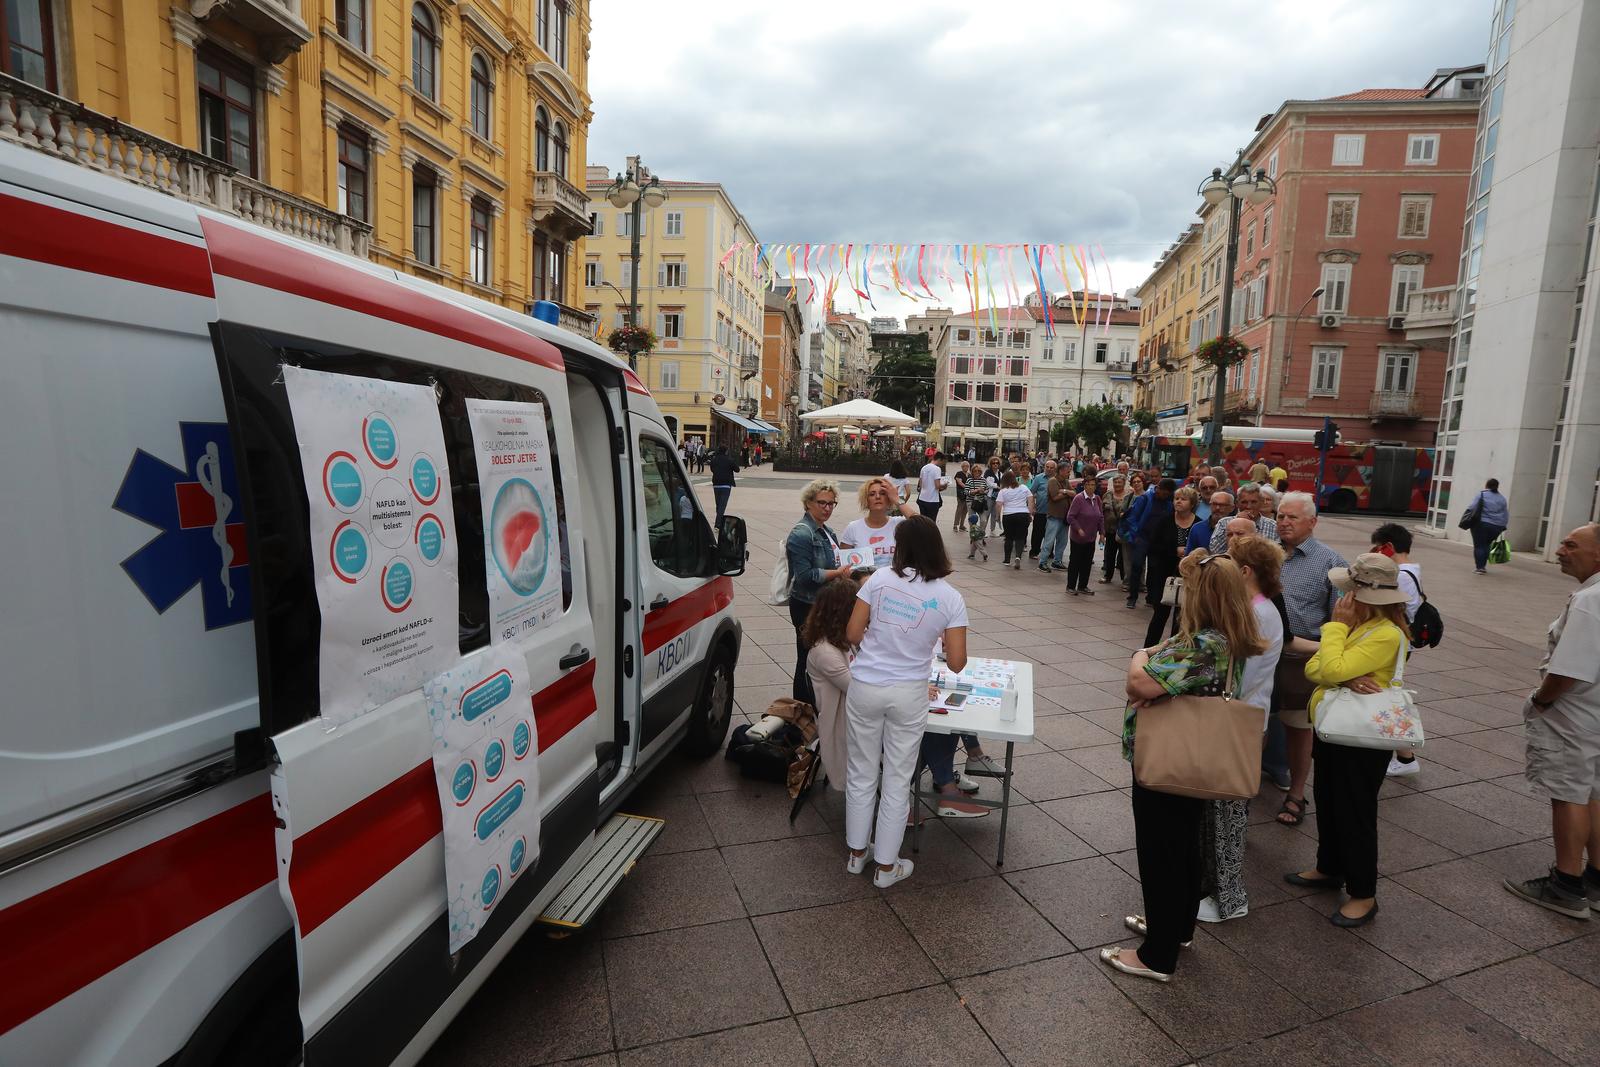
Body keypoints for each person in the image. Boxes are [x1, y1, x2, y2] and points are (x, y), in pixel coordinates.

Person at [1104, 550, 1266, 982]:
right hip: (1194, 762)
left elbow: (1139, 678)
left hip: (1168, 763)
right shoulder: (1223, 637)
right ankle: (1175, 928)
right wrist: (1155, 674)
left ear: (1206, 598)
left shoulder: (1203, 645)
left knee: (1161, 854)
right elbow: (1156, 674)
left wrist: (1141, 659)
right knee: (1182, 849)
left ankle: (1157, 955)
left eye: (1190, 590)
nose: (1183, 596)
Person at [843, 517, 970, 888]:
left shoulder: (879, 579)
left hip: (866, 685)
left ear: (902, 547)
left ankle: (856, 854)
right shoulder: (950, 598)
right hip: (908, 692)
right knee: (898, 778)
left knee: (862, 771)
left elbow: (852, 632)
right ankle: (886, 867)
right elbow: (958, 662)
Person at [1286, 553, 1411, 927]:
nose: (1343, 599)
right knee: (1328, 799)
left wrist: (1335, 639)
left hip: (1361, 737)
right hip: (1336, 728)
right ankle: (1330, 867)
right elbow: (1316, 668)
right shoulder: (1359, 627)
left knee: (1355, 812)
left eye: (1349, 591)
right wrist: (1340, 675)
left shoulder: (1386, 634)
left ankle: (1363, 892)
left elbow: (1329, 665)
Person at [1504, 523, 1600, 919]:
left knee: (1569, 795)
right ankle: (1595, 879)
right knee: (1593, 792)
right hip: (1595, 714)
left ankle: (1565, 884)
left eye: (1571, 544)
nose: (1560, 549)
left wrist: (1540, 700)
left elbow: (1567, 672)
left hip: (1574, 716)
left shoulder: (1590, 600)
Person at [1197, 536, 1286, 924]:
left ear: (1245, 571)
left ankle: (1229, 899)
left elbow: (1240, 675)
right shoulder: (1254, 608)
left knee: (1229, 815)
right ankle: (1217, 892)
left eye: (1232, 562)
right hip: (1238, 719)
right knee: (1221, 812)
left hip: (1239, 722)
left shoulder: (1259, 613)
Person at [1272, 492, 1348, 826]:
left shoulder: (1331, 562)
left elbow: (1342, 620)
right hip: (1262, 656)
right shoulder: (1267, 554)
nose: (1283, 522)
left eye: (1292, 517)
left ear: (1312, 522)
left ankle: (1297, 793)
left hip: (1301, 660)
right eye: (1280, 516)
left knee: (1299, 730)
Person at [785, 480, 854, 706]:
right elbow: (805, 576)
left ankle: (815, 704)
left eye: (831, 504)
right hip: (806, 603)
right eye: (822, 503)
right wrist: (837, 573)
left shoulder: (827, 531)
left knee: (818, 656)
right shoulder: (802, 533)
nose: (827, 508)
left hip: (823, 603)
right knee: (806, 658)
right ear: (808, 503)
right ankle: (802, 708)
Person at [1372, 522, 1424, 778]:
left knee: (1388, 698)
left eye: (1378, 549)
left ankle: (1406, 757)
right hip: (1399, 642)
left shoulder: (1400, 575)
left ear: (1388, 547)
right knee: (1388, 696)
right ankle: (1405, 756)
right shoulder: (1411, 571)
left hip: (1393, 644)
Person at [804, 576, 860, 789]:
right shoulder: (826, 652)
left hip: (856, 712)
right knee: (925, 734)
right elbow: (859, 690)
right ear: (845, 613)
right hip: (847, 720)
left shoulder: (842, 640)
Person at [1142, 485, 1202, 646]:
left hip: (1187, 578)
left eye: (1183, 499)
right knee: (1159, 616)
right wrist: (1174, 550)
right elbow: (1153, 546)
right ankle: (1148, 649)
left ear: (1192, 503)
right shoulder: (1164, 520)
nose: (1179, 502)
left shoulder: (1198, 524)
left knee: (1180, 618)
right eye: (1177, 498)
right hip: (1164, 575)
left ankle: (1172, 651)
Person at [841, 476, 919, 570]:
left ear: (889, 499)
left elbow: (920, 523)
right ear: (866, 500)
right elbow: (844, 566)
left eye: (882, 493)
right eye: (872, 494)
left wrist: (898, 500)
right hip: (864, 582)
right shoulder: (853, 528)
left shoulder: (899, 524)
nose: (877, 497)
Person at [1122, 478, 1175, 610]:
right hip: (1142, 538)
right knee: (1137, 567)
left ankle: (1151, 598)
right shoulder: (1145, 498)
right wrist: (1136, 536)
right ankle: (1132, 597)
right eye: (1164, 493)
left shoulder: (1169, 502)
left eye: (1168, 494)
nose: (1165, 496)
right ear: (1159, 488)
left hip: (1157, 541)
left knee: (1154, 569)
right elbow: (1132, 518)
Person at [1209, 483, 1276, 554]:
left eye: (1253, 502)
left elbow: (1277, 555)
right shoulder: (1224, 523)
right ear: (1237, 503)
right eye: (1244, 502)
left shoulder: (1273, 526)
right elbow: (1214, 550)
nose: (1248, 506)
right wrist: (1236, 522)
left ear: (1262, 502)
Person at [1065, 477, 1103, 596]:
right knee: (1075, 561)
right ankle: (1070, 586)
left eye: (1093, 485)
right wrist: (1078, 529)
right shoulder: (1079, 498)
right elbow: (1070, 517)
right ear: (1085, 486)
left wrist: (1102, 533)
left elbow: (1100, 517)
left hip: (1091, 537)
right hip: (1078, 537)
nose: (1091, 487)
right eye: (1089, 484)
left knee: (1087, 563)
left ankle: (1082, 585)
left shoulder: (1096, 499)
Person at [1467, 477, 1510, 574]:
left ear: (1486, 485)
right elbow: (1505, 513)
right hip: (1497, 526)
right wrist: (1503, 525)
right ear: (1497, 487)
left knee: (1479, 546)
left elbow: (1472, 507)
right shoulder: (1502, 498)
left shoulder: (1482, 494)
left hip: (1482, 524)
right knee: (1486, 545)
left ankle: (1480, 568)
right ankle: (1483, 566)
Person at [995, 470, 1035, 570]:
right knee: (1020, 538)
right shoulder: (1024, 487)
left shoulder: (1003, 491)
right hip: (1022, 514)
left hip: (1008, 515)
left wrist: (997, 517)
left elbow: (999, 505)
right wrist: (1030, 513)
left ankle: (1007, 560)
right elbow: (1030, 500)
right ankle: (1018, 556)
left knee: (1009, 537)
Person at [1039, 463, 1075, 572]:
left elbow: (1074, 493)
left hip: (1065, 517)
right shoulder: (1053, 481)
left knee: (1062, 541)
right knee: (1049, 541)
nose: (1069, 474)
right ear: (1061, 471)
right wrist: (1067, 493)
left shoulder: (1066, 482)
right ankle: (1042, 562)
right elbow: (1054, 497)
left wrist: (1064, 491)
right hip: (1054, 516)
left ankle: (1057, 561)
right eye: (1067, 471)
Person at [1100, 474, 1135, 585]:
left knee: (1124, 556)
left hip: (1123, 530)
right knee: (1110, 554)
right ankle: (1108, 576)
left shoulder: (1129, 496)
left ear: (1124, 484)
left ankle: (1125, 578)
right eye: (1115, 482)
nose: (1117, 484)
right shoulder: (1108, 495)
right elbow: (1102, 512)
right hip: (1110, 529)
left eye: (1119, 482)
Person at [1028, 460, 1057, 559]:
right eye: (1047, 467)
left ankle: (1049, 552)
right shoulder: (1038, 478)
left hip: (1053, 512)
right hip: (1040, 511)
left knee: (1050, 533)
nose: (1049, 469)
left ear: (1055, 469)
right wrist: (1032, 506)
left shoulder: (1057, 479)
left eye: (1051, 467)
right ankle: (1034, 552)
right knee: (1037, 533)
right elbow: (1031, 492)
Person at [963, 463, 991, 561]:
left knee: (983, 521)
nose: (977, 473)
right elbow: (966, 491)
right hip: (971, 503)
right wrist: (974, 491)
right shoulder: (970, 480)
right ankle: (981, 551)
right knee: (973, 526)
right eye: (975, 471)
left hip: (981, 503)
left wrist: (983, 491)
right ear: (972, 472)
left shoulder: (983, 480)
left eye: (979, 471)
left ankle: (979, 537)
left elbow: (988, 490)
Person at [708, 445, 740, 525]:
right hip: (726, 485)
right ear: (726, 451)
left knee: (718, 505)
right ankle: (718, 524)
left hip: (716, 484)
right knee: (722, 505)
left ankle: (719, 520)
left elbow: (712, 469)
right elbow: (737, 470)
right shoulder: (729, 460)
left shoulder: (714, 460)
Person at [916, 451, 948, 520]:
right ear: (939, 459)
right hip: (932, 500)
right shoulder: (937, 469)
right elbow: (937, 486)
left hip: (922, 498)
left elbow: (921, 485)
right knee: (931, 522)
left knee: (924, 521)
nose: (942, 464)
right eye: (943, 462)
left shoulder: (924, 468)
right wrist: (944, 485)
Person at [983, 455, 1005, 537]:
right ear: (991, 464)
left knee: (994, 514)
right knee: (986, 513)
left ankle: (992, 531)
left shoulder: (1000, 473)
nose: (995, 464)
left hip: (997, 497)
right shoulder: (988, 472)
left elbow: (1003, 482)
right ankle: (983, 530)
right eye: (993, 463)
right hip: (989, 496)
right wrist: (997, 486)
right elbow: (988, 483)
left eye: (997, 463)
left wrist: (1002, 486)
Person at [950, 460, 971, 531]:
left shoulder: (970, 475)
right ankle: (955, 525)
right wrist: (968, 488)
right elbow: (960, 483)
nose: (966, 467)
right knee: (959, 509)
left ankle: (962, 525)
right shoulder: (959, 473)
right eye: (964, 466)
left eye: (967, 466)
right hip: (961, 495)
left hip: (968, 495)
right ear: (961, 467)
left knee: (965, 510)